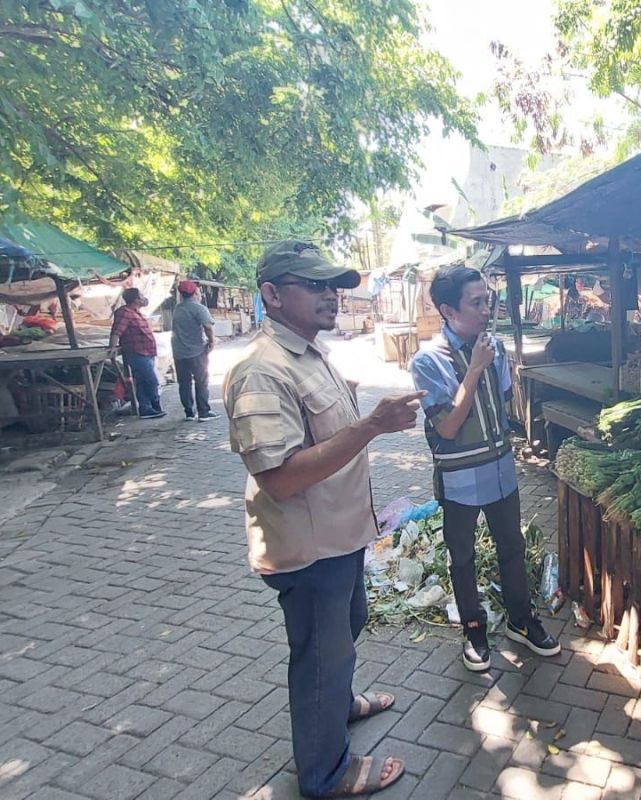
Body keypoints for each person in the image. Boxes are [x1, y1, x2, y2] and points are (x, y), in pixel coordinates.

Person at [224, 240, 423, 798]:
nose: (330, 295)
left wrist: (355, 411)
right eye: (314, 285)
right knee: (320, 656)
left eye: (333, 285)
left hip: (339, 536)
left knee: (348, 628)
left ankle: (338, 705)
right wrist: (370, 426)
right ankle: (326, 773)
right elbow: (282, 477)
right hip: (308, 550)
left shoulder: (306, 353)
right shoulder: (261, 370)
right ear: (271, 294)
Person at [410, 265, 560, 672]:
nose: (486, 309)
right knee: (462, 556)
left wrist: (489, 363)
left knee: (512, 546)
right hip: (460, 478)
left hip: (500, 471)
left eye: (487, 299)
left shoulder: (495, 348)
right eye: (476, 303)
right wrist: (474, 368)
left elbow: (504, 404)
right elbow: (448, 425)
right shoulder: (428, 362)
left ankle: (520, 620)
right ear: (447, 310)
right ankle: (474, 629)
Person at [108, 287, 164, 419]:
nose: (144, 298)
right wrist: (112, 346)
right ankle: (155, 404)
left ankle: (146, 408)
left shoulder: (137, 313)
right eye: (141, 296)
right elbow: (117, 331)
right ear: (135, 299)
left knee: (142, 382)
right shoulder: (125, 312)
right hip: (137, 353)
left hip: (147, 353)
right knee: (151, 381)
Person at [172, 279, 218, 421]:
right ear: (195, 293)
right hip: (196, 351)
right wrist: (211, 341)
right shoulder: (198, 308)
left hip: (179, 352)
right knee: (201, 381)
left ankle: (189, 412)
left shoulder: (177, 308)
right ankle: (203, 412)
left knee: (184, 383)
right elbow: (208, 326)